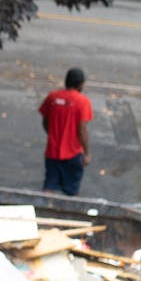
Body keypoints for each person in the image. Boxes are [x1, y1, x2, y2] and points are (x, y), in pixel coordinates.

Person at [38, 68, 92, 196]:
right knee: (72, 191)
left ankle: (43, 211)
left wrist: (52, 135)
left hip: (52, 152)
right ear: (81, 84)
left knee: (49, 186)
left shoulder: (52, 97)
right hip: (73, 154)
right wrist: (87, 153)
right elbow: (82, 130)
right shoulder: (82, 102)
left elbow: (45, 121)